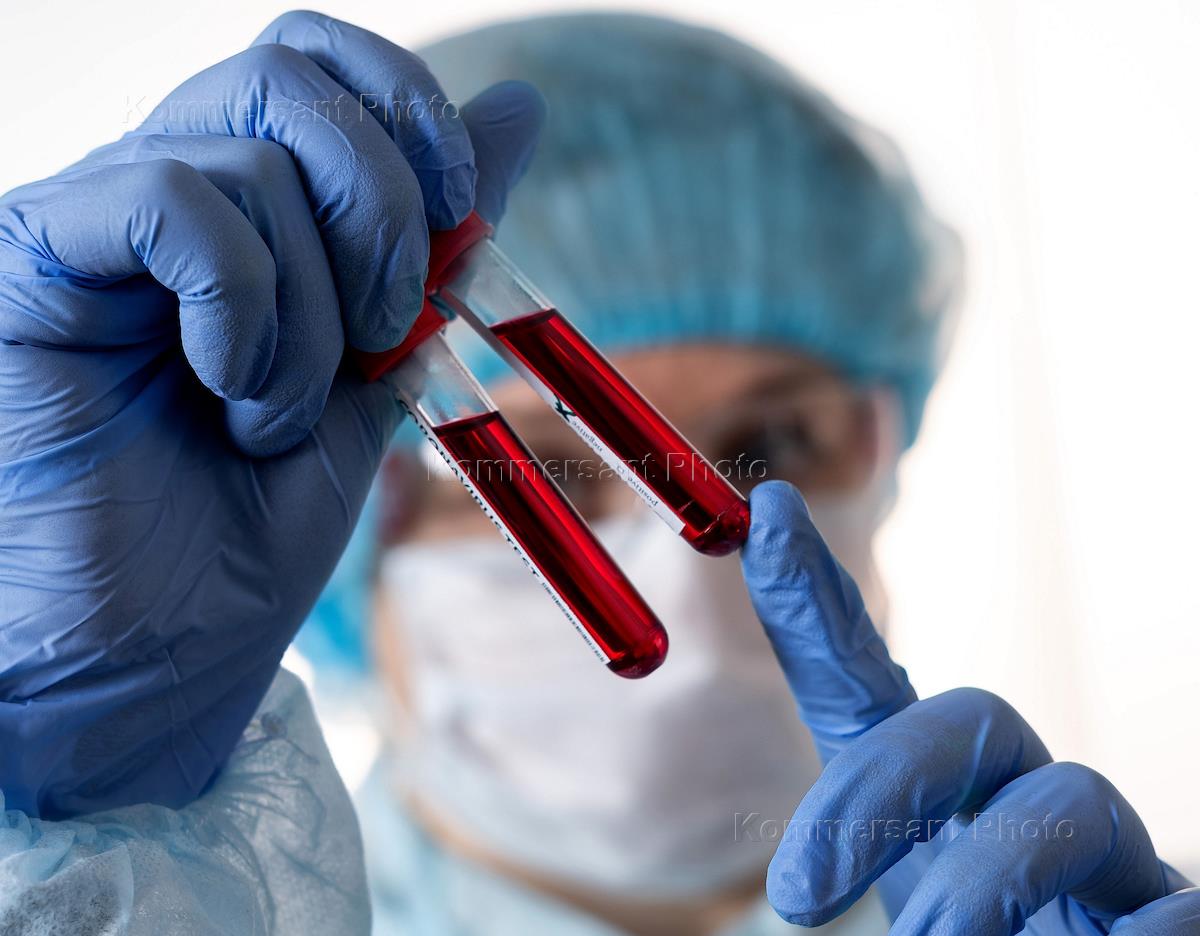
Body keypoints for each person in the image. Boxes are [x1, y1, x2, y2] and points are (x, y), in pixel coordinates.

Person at [0, 10, 1195, 936]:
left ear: (888, 444)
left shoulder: (1080, 908)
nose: (682, 565)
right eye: (550, 469)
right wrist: (70, 850)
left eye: (775, 443)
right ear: (350, 542)